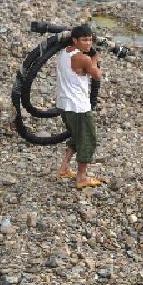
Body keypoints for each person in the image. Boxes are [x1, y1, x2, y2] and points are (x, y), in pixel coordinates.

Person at [56, 24, 102, 188]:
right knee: (87, 139)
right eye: (84, 40)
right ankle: (82, 177)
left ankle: (64, 168)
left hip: (64, 104)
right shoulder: (83, 58)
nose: (88, 43)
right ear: (74, 40)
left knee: (76, 135)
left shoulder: (63, 52)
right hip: (79, 106)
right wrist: (95, 59)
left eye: (90, 39)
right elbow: (97, 75)